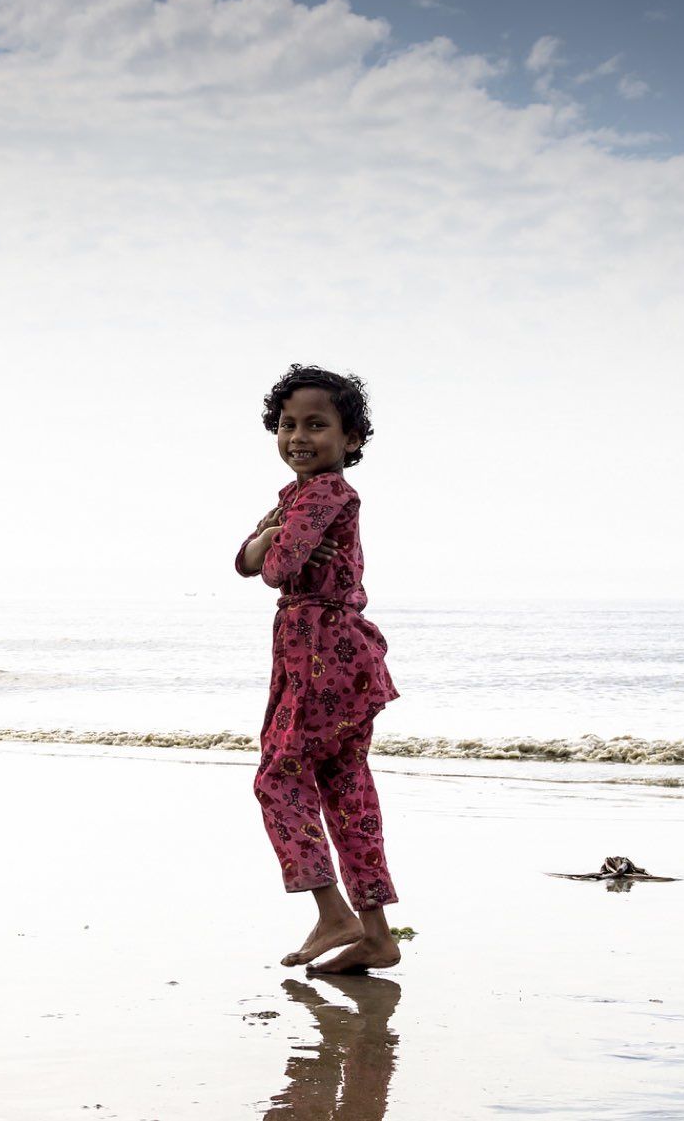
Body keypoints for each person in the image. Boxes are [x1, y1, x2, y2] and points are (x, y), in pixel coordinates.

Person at [236, 365, 400, 974]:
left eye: (317, 425)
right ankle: (376, 935)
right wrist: (269, 539)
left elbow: (275, 567)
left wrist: (270, 541)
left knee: (278, 777)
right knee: (344, 789)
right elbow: (244, 560)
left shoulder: (327, 492)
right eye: (287, 425)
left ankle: (334, 913)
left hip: (320, 651)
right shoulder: (296, 496)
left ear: (351, 439)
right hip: (331, 652)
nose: (298, 436)